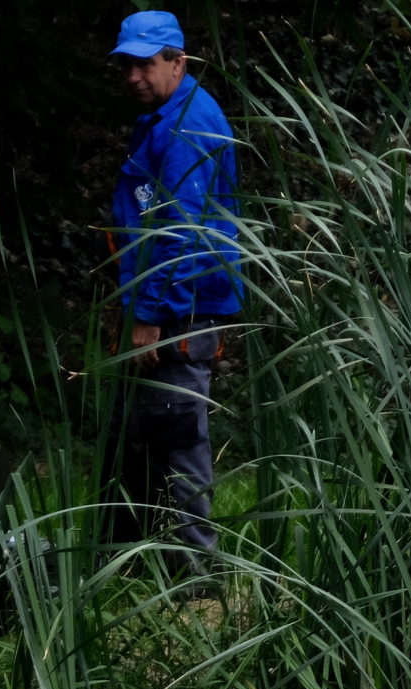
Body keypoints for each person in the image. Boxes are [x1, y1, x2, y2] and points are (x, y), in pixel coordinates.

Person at [108, 11, 243, 563]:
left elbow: (182, 235)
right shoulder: (168, 115)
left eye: (145, 64)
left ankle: (196, 579)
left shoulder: (188, 125)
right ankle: (129, 560)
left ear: (177, 61)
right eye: (126, 65)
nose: (134, 75)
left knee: (179, 436)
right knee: (143, 433)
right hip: (166, 304)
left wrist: (151, 316)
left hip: (180, 312)